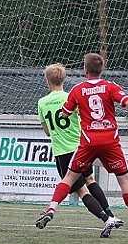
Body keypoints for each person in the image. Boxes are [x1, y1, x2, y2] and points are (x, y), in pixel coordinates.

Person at [36, 53, 128, 238]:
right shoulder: (110, 86)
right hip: (110, 140)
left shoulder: (75, 90)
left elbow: (64, 113)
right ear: (102, 69)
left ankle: (51, 209)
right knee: (122, 180)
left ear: (85, 70)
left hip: (86, 143)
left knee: (70, 179)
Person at [37, 63, 116, 226]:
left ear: (47, 81)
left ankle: (106, 219)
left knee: (81, 190)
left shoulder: (42, 102)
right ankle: (111, 215)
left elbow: (47, 131)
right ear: (63, 80)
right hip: (80, 148)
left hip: (62, 152)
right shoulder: (71, 97)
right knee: (90, 180)